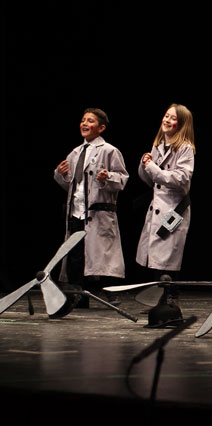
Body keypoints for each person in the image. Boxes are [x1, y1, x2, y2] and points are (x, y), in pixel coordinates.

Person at [54, 108, 128, 304]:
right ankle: (79, 295)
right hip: (77, 211)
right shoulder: (75, 153)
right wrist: (61, 175)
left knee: (104, 255)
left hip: (98, 213)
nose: (84, 124)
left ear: (101, 128)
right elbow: (71, 185)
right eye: (83, 120)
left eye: (90, 121)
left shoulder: (109, 151)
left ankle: (111, 292)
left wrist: (108, 177)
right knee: (76, 256)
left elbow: (122, 179)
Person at [135, 104, 195, 310]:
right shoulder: (159, 146)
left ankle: (171, 298)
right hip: (158, 207)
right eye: (166, 116)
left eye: (173, 118)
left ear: (182, 124)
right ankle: (159, 298)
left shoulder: (185, 148)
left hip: (174, 210)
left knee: (168, 259)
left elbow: (181, 178)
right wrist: (145, 164)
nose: (167, 120)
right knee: (156, 257)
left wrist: (152, 167)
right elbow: (150, 180)